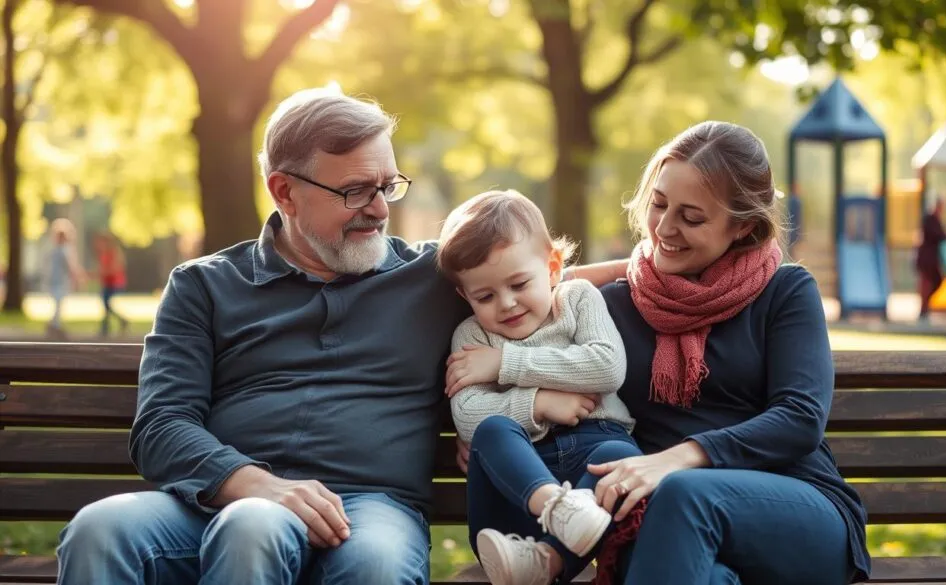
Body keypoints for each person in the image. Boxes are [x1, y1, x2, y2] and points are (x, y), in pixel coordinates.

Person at [54, 86, 627, 585]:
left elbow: (534, 274)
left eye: (388, 186)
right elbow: (160, 426)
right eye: (356, 191)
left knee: (359, 560)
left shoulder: (427, 278)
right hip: (217, 504)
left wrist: (660, 260)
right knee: (100, 529)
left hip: (372, 512)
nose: (379, 210)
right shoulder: (204, 286)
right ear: (284, 191)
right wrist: (257, 486)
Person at [586, 121, 869, 584]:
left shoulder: (786, 291)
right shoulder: (618, 301)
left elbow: (800, 416)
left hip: (795, 505)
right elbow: (525, 285)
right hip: (669, 527)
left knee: (684, 496)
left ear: (743, 228)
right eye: (658, 205)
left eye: (691, 217)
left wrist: (679, 457)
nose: (664, 228)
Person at [437, 189, 641, 585]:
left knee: (619, 456)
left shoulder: (578, 299)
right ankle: (558, 509)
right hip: (514, 496)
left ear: (552, 267)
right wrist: (539, 403)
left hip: (592, 459)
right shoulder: (471, 336)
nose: (507, 303)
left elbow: (607, 367)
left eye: (518, 284)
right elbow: (466, 416)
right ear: (465, 295)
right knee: (492, 430)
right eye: (485, 296)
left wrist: (505, 363)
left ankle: (547, 560)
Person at [45, 218, 85, 339]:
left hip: (57, 279)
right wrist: (78, 277)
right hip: (59, 280)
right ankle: (54, 325)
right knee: (58, 302)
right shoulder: (64, 249)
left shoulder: (56, 249)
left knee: (58, 303)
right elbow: (70, 266)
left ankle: (54, 324)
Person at [915, 194, 946, 321]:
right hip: (926, 259)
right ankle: (923, 310)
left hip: (932, 259)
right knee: (927, 284)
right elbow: (938, 235)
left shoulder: (936, 220)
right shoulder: (930, 219)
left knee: (936, 281)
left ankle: (925, 307)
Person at [94, 231, 130, 336]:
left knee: (106, 303)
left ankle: (108, 326)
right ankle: (108, 326)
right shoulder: (103, 254)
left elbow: (115, 269)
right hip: (106, 283)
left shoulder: (114, 253)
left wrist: (102, 272)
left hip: (115, 283)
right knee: (106, 304)